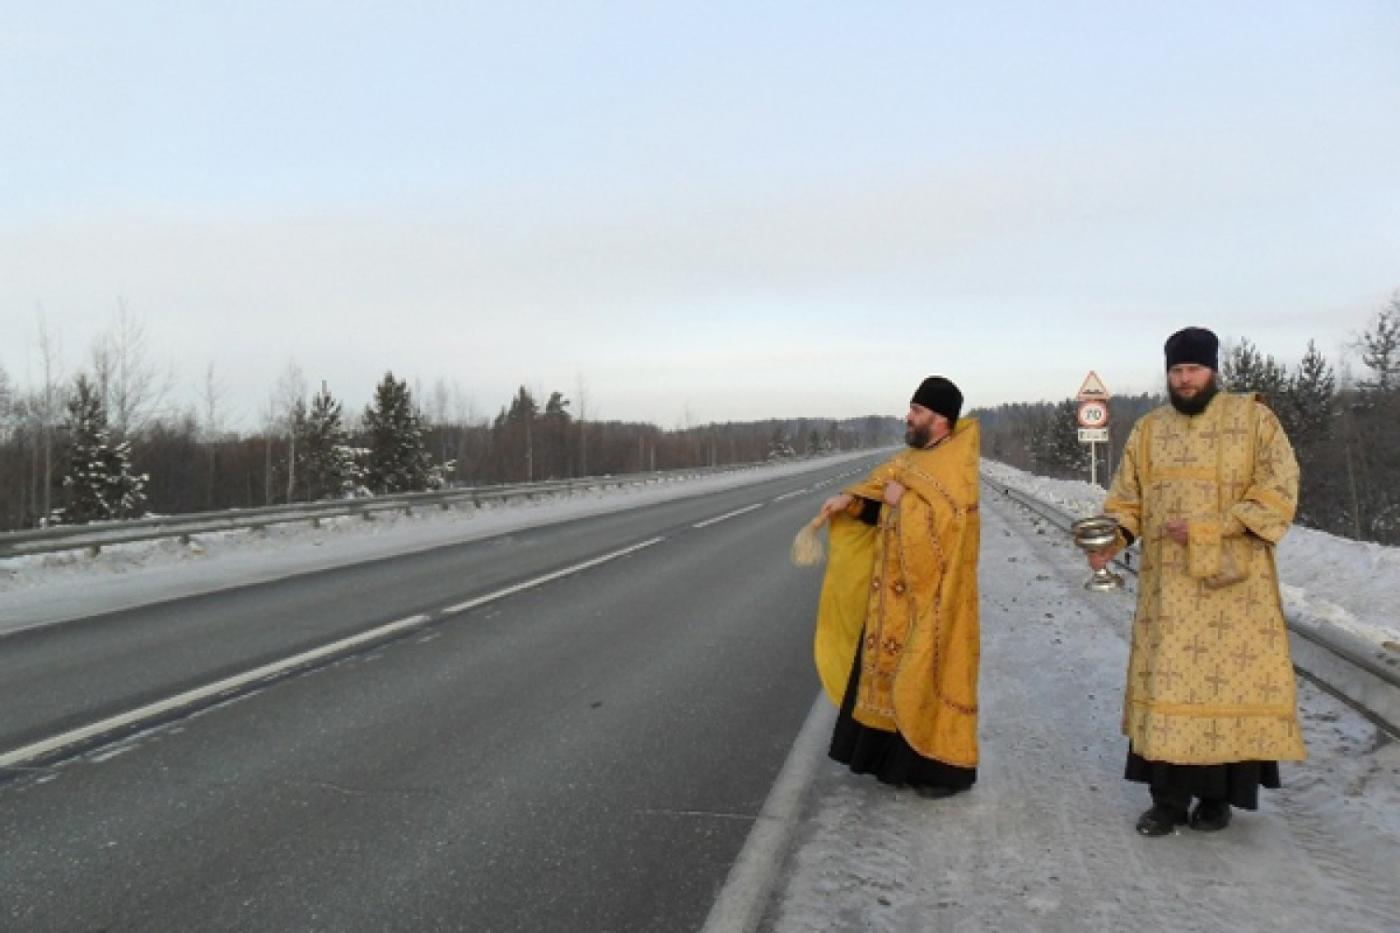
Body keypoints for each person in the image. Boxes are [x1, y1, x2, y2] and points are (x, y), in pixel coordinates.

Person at [1087, 326, 1306, 836]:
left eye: (1193, 370)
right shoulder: (1148, 430)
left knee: (1225, 692)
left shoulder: (1254, 420)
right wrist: (1111, 539)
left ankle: (1217, 801)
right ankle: (1166, 803)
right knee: (1169, 692)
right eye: (1177, 371)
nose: (1185, 380)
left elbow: (1280, 490)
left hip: (1235, 589)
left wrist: (1212, 528)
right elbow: (1127, 500)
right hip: (1169, 590)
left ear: (1213, 370)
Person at [812, 375, 981, 798]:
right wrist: (852, 502)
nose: (909, 416)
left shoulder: (953, 465)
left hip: (932, 600)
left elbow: (947, 530)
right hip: (893, 598)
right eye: (912, 408)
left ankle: (941, 772)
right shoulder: (913, 458)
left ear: (940, 419)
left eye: (918, 411)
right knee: (892, 678)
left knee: (925, 676)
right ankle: (891, 764)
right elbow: (881, 496)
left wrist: (899, 502)